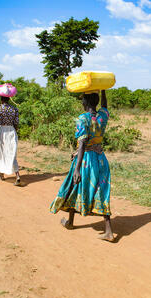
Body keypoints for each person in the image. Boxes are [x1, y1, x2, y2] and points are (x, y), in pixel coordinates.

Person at [50, 90, 114, 241]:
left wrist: (77, 168)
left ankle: (72, 222)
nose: (81, 102)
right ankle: (108, 231)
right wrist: (103, 90)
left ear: (85, 102)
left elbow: (83, 144)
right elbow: (105, 106)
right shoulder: (102, 116)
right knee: (101, 191)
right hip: (101, 159)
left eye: (83, 100)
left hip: (86, 160)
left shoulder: (82, 119)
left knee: (75, 186)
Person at [0, 96, 21, 186]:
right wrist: (14, 131)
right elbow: (16, 123)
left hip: (2, 131)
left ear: (1, 100)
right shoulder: (14, 109)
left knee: (1, 153)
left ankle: (3, 175)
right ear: (9, 99)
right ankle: (15, 176)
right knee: (12, 154)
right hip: (11, 131)